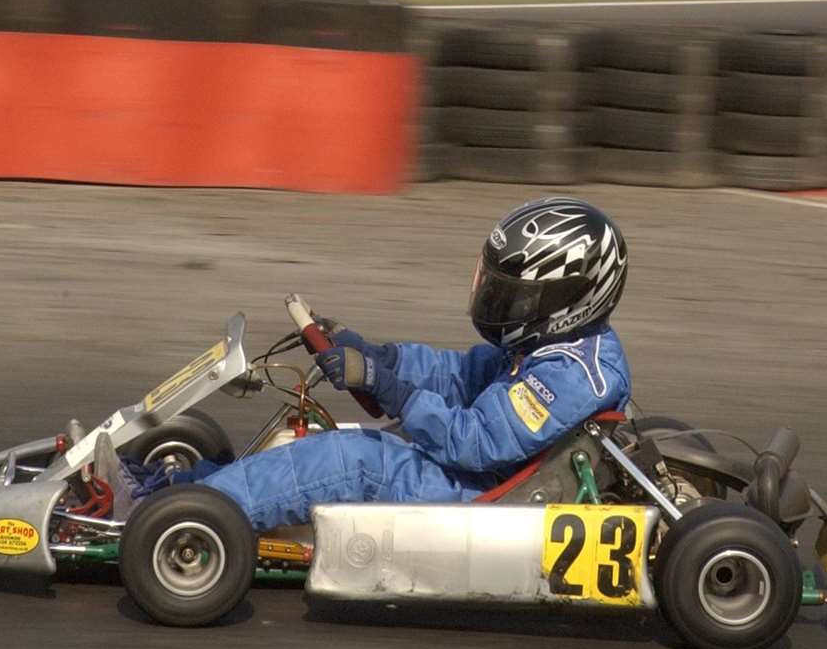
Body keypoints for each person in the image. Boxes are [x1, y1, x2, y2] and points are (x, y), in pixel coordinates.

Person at [113, 197, 630, 531]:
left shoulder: (571, 375)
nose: (499, 305)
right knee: (311, 436)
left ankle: (176, 515)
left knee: (351, 458)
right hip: (477, 476)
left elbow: (475, 443)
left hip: (482, 499)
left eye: (514, 297)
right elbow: (458, 375)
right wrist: (378, 357)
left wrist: (392, 391)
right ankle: (196, 487)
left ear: (567, 298)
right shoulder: (551, 349)